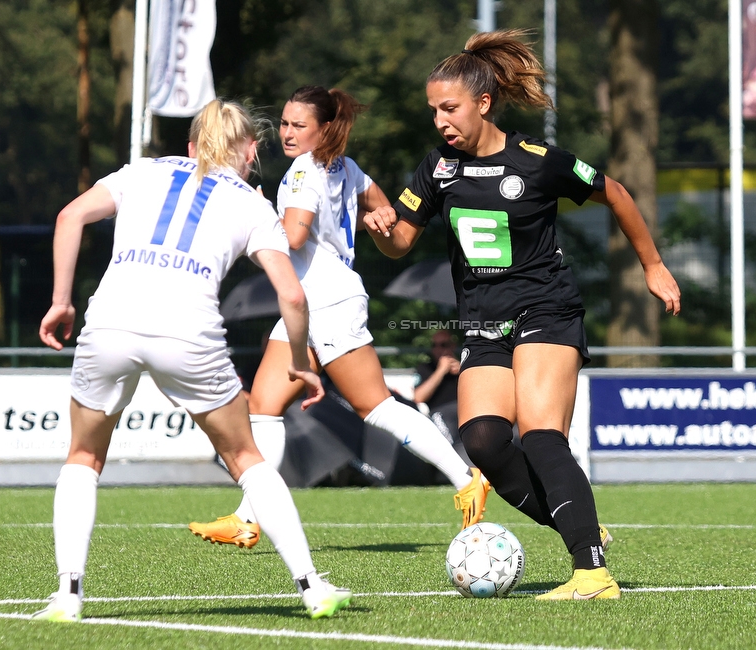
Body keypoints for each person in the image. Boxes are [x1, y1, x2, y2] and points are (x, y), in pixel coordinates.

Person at [363, 30, 681, 600]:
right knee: (483, 441)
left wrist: (652, 267)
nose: (440, 120)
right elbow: (401, 242)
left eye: (450, 108)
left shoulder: (537, 162)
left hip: (547, 310)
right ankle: (578, 525)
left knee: (540, 435)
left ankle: (591, 572)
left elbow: (617, 194)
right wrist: (384, 230)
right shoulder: (436, 167)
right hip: (483, 322)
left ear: (483, 104)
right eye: (433, 109)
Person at [32, 99, 352, 622]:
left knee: (83, 457)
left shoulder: (140, 171)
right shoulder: (253, 203)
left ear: (190, 146)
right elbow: (292, 296)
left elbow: (70, 216)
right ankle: (313, 587)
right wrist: (299, 361)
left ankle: (67, 596)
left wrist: (61, 300)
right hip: (188, 331)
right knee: (246, 459)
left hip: (110, 321)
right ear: (250, 150)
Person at [188, 86, 488, 548]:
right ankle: (248, 518)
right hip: (307, 303)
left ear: (323, 129)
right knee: (264, 410)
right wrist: (384, 211)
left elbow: (290, 236)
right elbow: (379, 199)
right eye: (285, 123)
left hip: (326, 302)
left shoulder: (305, 172)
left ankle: (466, 478)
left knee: (378, 408)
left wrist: (254, 207)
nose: (287, 133)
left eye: (298, 125)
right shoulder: (342, 166)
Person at [414, 329, 460, 411]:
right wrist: (441, 371)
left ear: (453, 346)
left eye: (443, 345)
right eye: (434, 345)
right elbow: (418, 398)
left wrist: (463, 372)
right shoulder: (425, 368)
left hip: (462, 410)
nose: (438, 349)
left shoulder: (463, 367)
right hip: (439, 413)